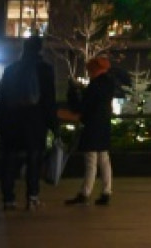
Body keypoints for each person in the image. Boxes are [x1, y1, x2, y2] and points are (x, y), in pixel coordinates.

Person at [0, 34, 58, 211]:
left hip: (11, 122)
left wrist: (0, 124)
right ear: (40, 49)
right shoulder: (45, 70)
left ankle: (8, 199)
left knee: (8, 160)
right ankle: (32, 198)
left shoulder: (11, 69)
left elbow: (3, 98)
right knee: (34, 160)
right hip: (35, 122)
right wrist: (54, 126)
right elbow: (49, 101)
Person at [64, 55, 117, 207]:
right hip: (103, 124)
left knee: (91, 161)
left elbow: (83, 107)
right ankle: (106, 192)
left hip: (92, 125)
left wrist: (73, 92)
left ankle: (85, 192)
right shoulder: (109, 84)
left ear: (94, 69)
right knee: (104, 159)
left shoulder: (94, 86)